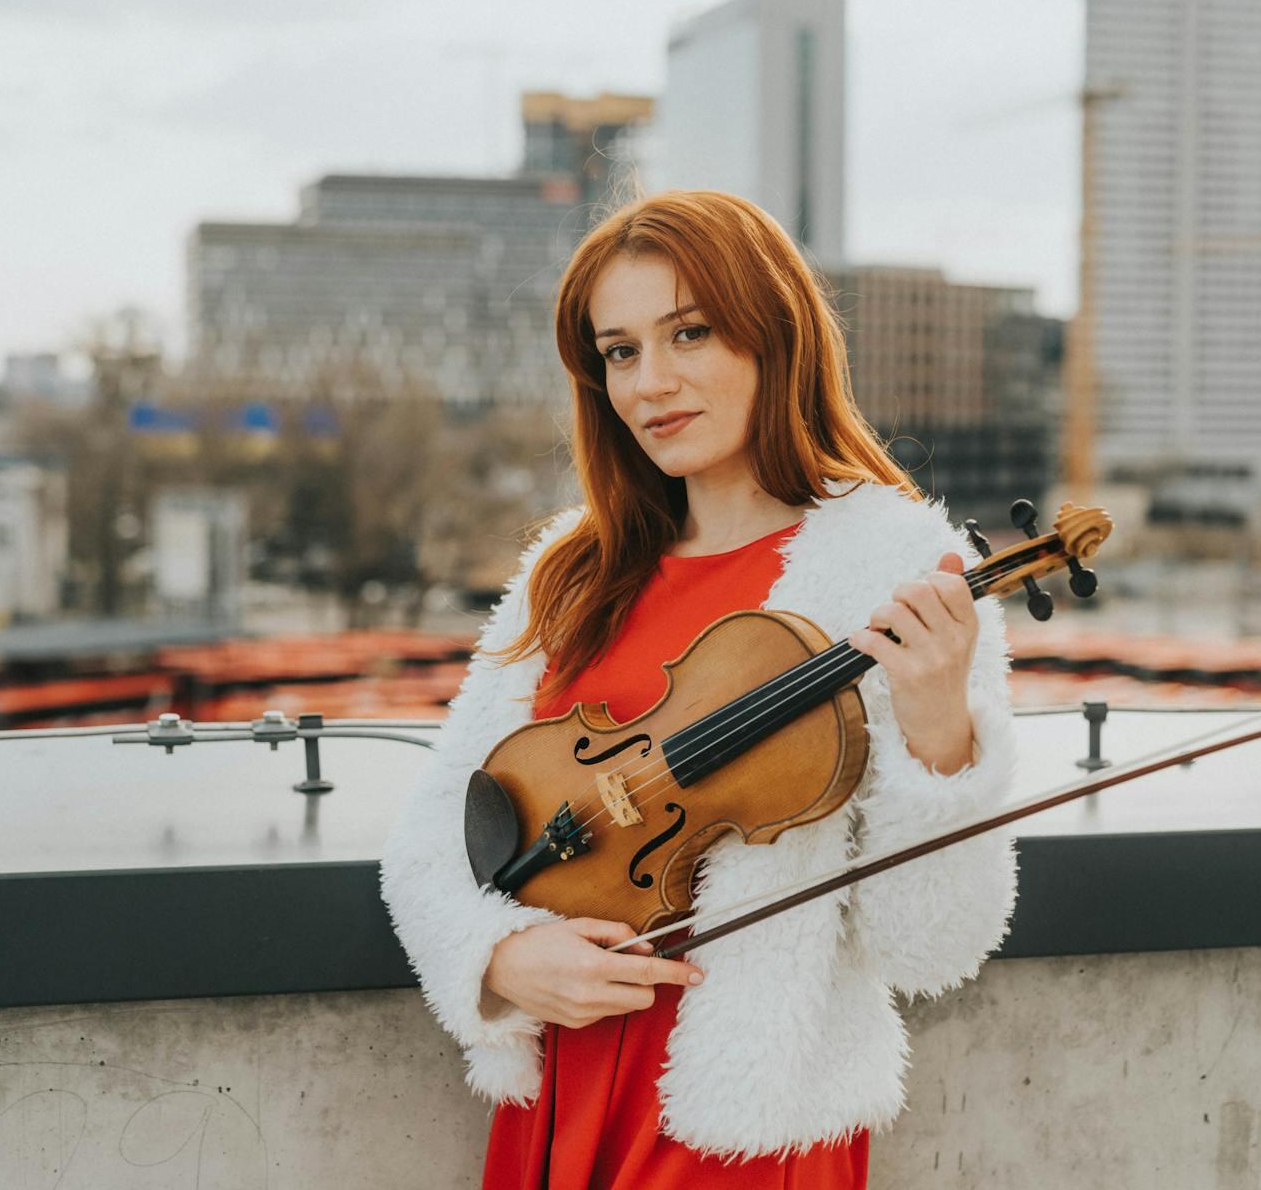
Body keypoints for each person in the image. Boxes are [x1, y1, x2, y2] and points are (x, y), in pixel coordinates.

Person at [379, 190, 1020, 1187]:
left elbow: (931, 946)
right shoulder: (572, 567)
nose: (652, 382)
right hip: (561, 1085)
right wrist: (499, 960)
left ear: (776, 337)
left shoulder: (896, 565)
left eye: (690, 333)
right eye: (620, 350)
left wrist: (943, 736)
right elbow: (436, 830)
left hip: (740, 1123)